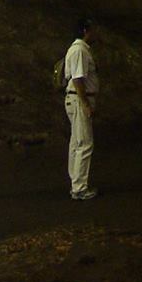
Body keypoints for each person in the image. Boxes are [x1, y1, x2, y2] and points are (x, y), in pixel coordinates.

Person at [62, 19, 98, 200]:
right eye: (92, 30)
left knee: (76, 142)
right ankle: (79, 187)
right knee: (84, 143)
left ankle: (76, 183)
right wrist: (85, 103)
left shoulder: (78, 49)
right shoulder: (79, 50)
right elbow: (78, 79)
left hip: (75, 99)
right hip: (78, 100)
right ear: (85, 31)